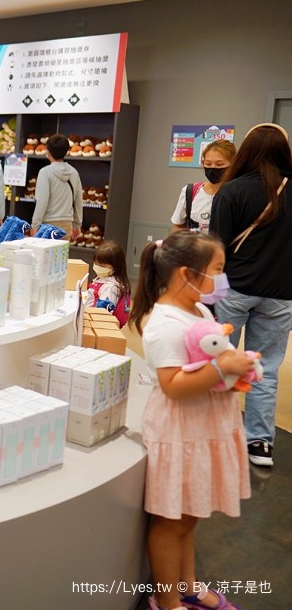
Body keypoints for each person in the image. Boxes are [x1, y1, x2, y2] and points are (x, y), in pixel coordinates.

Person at [129, 231, 254, 610]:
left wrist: (235, 374)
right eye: (217, 270)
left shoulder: (197, 310)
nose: (222, 279)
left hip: (203, 426)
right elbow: (173, 385)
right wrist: (223, 367)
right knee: (173, 522)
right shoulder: (164, 323)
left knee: (190, 515)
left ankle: (188, 585)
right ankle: (167, 602)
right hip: (180, 431)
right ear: (187, 273)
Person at [209, 122, 292, 468]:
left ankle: (212, 432)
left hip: (233, 289)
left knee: (216, 362)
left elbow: (215, 249)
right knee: (265, 369)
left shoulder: (231, 192)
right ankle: (259, 443)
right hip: (281, 294)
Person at [170, 139, 236, 234]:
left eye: (219, 164)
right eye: (208, 163)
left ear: (233, 164)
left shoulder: (237, 195)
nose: (213, 168)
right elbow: (178, 225)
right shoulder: (190, 192)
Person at [31, 133, 82, 241]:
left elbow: (42, 201)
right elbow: (78, 201)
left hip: (48, 226)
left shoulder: (45, 172)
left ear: (48, 152)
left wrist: (35, 225)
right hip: (67, 224)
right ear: (67, 151)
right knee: (62, 257)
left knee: (45, 257)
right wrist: (77, 224)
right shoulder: (74, 172)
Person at [89, 240, 131, 327]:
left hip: (97, 325)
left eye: (102, 266)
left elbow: (103, 314)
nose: (97, 267)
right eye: (96, 264)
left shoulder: (110, 287)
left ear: (116, 266)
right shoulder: (102, 278)